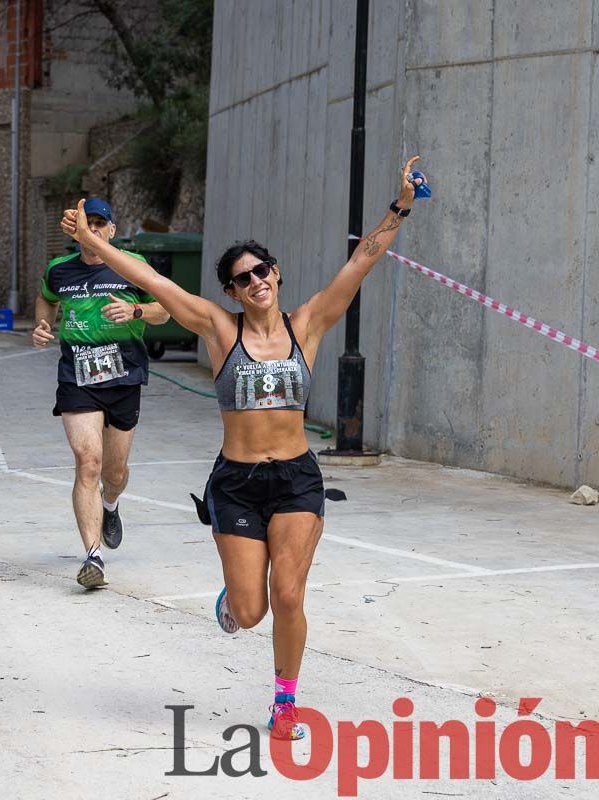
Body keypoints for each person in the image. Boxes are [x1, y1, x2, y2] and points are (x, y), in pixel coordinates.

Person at [61, 158, 424, 740]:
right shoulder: (218, 328)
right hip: (236, 483)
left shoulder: (307, 325)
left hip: (298, 481)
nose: (255, 281)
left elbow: (363, 260)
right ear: (231, 290)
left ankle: (285, 703)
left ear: (276, 274)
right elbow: (154, 283)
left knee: (288, 593)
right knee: (251, 611)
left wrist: (401, 203)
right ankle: (233, 596)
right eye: (241, 277)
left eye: (262, 270)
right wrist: (91, 243)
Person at [33, 197, 170, 589]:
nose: (92, 229)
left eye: (100, 223)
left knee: (114, 472)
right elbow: (46, 298)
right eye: (86, 223)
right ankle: (93, 557)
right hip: (77, 376)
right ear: (76, 230)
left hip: (124, 377)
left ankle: (111, 504)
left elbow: (166, 309)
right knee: (88, 461)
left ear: (112, 230)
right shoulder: (60, 270)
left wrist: (136, 312)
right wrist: (44, 323)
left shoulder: (133, 267)